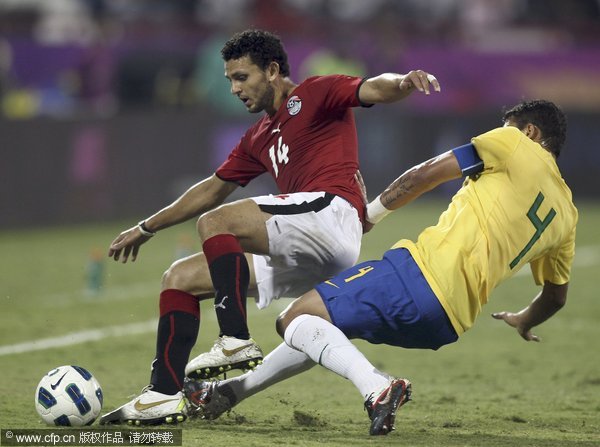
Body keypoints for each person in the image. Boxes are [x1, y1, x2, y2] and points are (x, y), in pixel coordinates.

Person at [99, 29, 441, 425]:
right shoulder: (258, 137)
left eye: (241, 77)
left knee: (217, 222)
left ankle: (234, 340)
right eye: (229, 79)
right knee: (180, 278)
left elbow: (374, 90)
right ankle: (163, 393)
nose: (233, 88)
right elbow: (210, 189)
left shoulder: (314, 93)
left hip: (330, 213)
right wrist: (146, 227)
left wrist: (402, 82)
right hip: (309, 243)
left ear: (273, 70)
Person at [184, 99, 577, 436]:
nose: (498, 133)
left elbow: (426, 173)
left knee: (295, 318)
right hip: (449, 322)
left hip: (418, 276)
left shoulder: (513, 144)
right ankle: (228, 394)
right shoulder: (566, 215)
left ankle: (377, 388)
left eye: (506, 128)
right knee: (321, 327)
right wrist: (525, 319)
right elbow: (555, 297)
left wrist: (368, 215)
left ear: (530, 132)